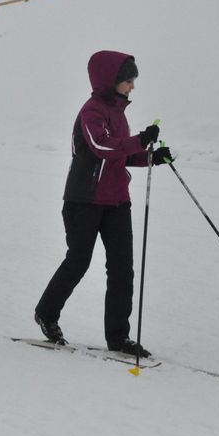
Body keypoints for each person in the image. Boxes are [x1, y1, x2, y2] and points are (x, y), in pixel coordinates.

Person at [33, 51, 173, 358]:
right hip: (84, 200)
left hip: (117, 201)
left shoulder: (118, 112)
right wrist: (139, 140)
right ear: (111, 80)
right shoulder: (92, 111)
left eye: (133, 80)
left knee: (122, 268)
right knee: (78, 261)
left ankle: (118, 337)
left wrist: (150, 157)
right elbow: (101, 146)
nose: (132, 86)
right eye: (128, 80)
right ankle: (46, 313)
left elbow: (119, 154)